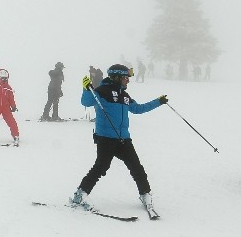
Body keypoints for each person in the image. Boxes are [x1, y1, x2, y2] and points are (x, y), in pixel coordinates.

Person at [69, 64, 168, 215]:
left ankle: (145, 195)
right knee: (100, 168)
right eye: (125, 78)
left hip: (123, 140)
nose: (128, 81)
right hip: (106, 138)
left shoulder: (124, 95)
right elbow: (86, 102)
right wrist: (86, 88)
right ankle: (79, 196)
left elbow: (138, 109)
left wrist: (158, 102)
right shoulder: (101, 91)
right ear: (117, 77)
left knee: (137, 168)